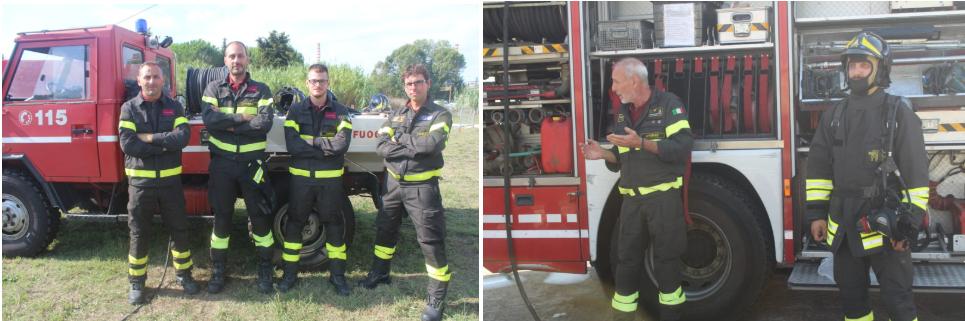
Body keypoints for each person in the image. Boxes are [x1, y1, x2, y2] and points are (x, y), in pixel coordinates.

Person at [806, 31, 927, 321]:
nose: (856, 71)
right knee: (853, 302)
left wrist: (908, 225)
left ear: (881, 69)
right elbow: (819, 169)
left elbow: (916, 174)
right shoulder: (834, 114)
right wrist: (817, 214)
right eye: (852, 66)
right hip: (845, 226)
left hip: (886, 226)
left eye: (864, 65)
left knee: (899, 302)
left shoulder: (899, 113)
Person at [580, 57, 692, 321]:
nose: (614, 89)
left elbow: (682, 147)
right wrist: (602, 154)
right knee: (625, 264)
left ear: (634, 80)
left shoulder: (669, 105)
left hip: (663, 201)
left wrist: (642, 143)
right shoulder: (622, 111)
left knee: (666, 263)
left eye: (616, 82)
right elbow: (621, 157)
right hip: (631, 203)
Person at [360, 64, 452, 321]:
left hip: (422, 187)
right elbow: (380, 147)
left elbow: (433, 145)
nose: (414, 87)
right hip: (393, 185)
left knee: (431, 242)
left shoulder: (440, 114)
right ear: (405, 86)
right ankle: (380, 273)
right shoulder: (397, 114)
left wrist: (399, 140)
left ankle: (436, 298)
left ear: (428, 83)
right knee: (385, 230)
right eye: (410, 83)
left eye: (419, 82)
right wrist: (411, 145)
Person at [118, 61, 198, 304]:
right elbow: (128, 144)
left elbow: (182, 137)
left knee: (179, 229)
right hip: (140, 185)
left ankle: (184, 276)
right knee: (139, 233)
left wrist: (151, 139)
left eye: (156, 77)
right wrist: (163, 145)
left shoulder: (175, 107)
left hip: (170, 184)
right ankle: (137, 283)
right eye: (147, 77)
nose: (151, 81)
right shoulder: (128, 108)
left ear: (164, 81)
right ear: (139, 81)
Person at [201, 41, 276, 294]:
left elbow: (264, 123)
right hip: (222, 165)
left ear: (247, 59)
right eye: (232, 56)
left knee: (260, 217)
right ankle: (218, 270)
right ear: (225, 60)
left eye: (240, 55)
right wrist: (243, 118)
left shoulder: (262, 90)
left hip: (251, 165)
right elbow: (209, 120)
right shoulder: (213, 87)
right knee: (222, 218)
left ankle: (265, 269)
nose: (236, 60)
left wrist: (229, 125)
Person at [280, 64, 353, 295]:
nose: (317, 84)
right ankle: (289, 274)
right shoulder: (295, 111)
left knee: (334, 227)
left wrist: (312, 143)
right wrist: (325, 150)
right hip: (301, 182)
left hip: (329, 183)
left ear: (328, 83)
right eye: (313, 80)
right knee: (294, 226)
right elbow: (292, 146)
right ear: (307, 83)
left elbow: (342, 145)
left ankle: (338, 276)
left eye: (322, 81)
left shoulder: (341, 112)